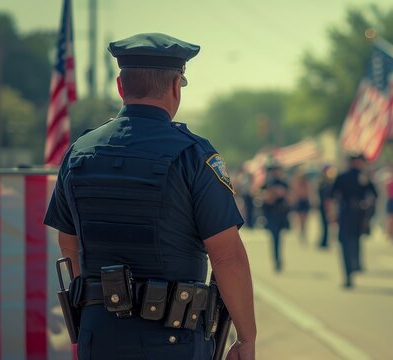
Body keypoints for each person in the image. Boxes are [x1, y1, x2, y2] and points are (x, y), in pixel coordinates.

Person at [43, 33, 256, 360]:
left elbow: (68, 243)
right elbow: (227, 256)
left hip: (98, 334)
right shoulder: (193, 155)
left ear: (120, 86)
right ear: (175, 86)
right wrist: (246, 338)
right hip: (173, 338)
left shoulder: (78, 153)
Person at [329, 154, 377, 289]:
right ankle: (350, 270)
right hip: (351, 213)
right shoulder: (349, 176)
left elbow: (373, 194)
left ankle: (351, 269)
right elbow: (333, 195)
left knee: (351, 242)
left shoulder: (361, 176)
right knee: (349, 242)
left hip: (354, 214)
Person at [261, 162, 290, 272]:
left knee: (279, 238)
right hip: (271, 214)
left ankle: (278, 259)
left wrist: (282, 194)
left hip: (281, 214)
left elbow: (289, 197)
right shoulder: (268, 183)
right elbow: (263, 198)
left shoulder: (283, 183)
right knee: (275, 238)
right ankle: (277, 260)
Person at [289, 169, 312, 244]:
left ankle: (303, 231)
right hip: (300, 201)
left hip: (304, 201)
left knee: (304, 219)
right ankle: (302, 231)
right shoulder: (296, 182)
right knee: (300, 219)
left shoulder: (306, 183)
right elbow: (294, 192)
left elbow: (309, 193)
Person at [317, 164, 336, 249]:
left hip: (327, 205)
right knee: (324, 224)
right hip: (323, 205)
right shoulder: (322, 182)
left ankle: (326, 240)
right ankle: (324, 240)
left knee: (327, 224)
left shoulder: (329, 183)